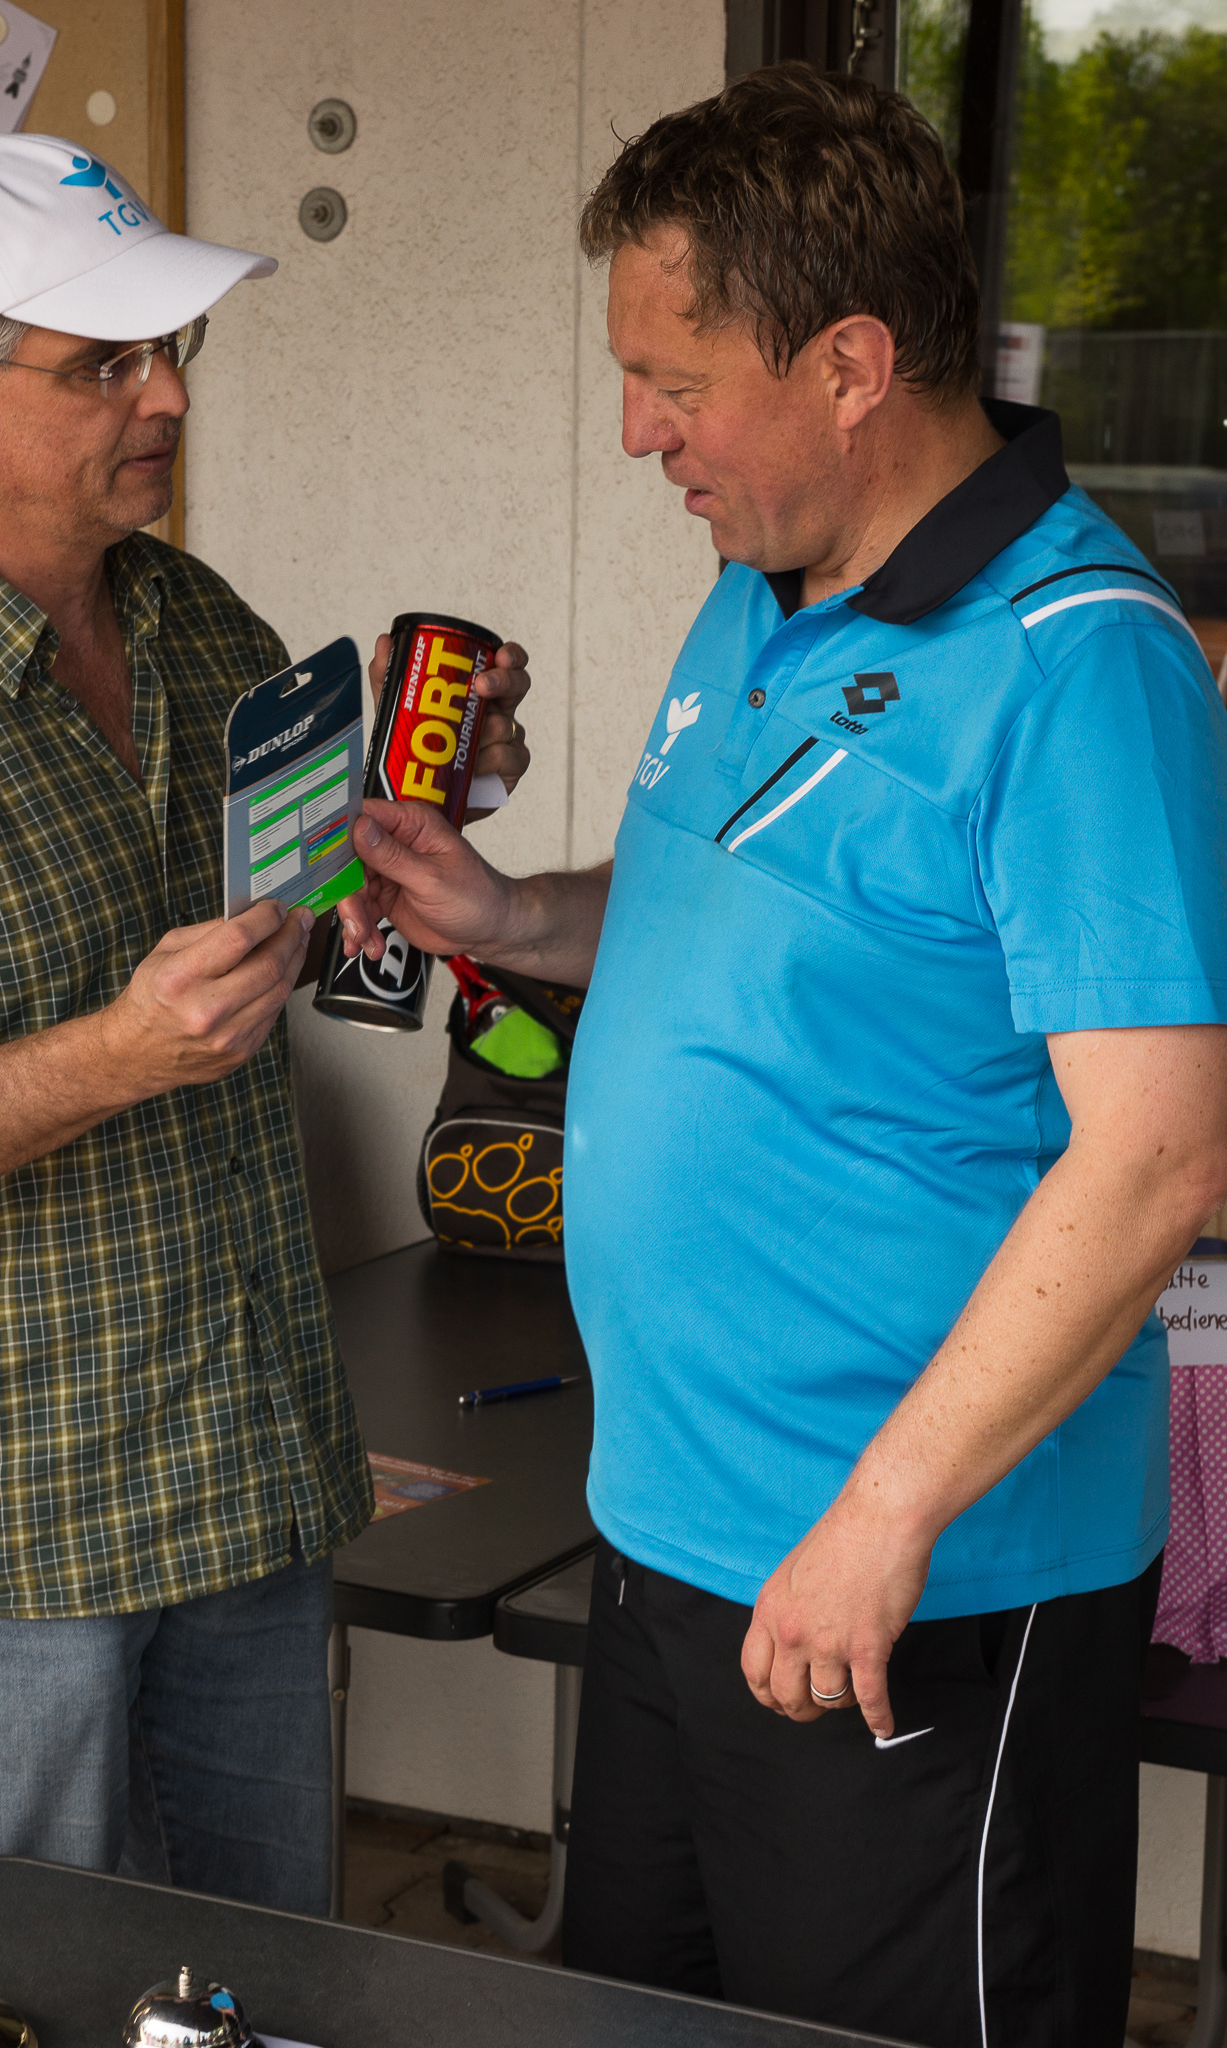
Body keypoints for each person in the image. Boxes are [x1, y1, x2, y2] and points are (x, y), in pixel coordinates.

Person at [342, 64, 1227, 2048]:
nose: (635, 429)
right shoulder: (761, 589)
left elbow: (1160, 1155)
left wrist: (879, 1519)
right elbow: (739, 925)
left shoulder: (1076, 662)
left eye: (672, 379)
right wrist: (510, 916)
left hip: (908, 1587)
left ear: (846, 364)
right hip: (673, 1532)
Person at [0, 131, 529, 1909]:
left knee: (256, 1992)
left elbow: (287, 940)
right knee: (12, 1999)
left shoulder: (198, 624)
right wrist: (110, 1058)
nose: (168, 394)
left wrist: (414, 823)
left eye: (171, 347)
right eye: (103, 362)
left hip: (234, 1474)